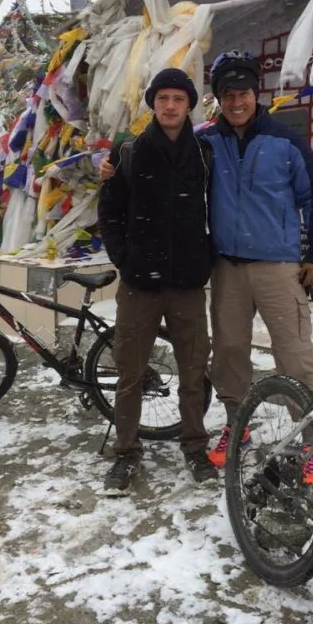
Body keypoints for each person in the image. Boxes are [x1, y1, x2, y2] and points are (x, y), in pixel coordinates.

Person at [198, 50, 313, 467]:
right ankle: (237, 427)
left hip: (278, 266)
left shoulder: (286, 141)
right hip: (227, 268)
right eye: (228, 95)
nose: (236, 102)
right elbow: (164, 159)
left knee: (294, 355)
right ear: (219, 99)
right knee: (228, 353)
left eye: (243, 93)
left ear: (257, 94)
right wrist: (115, 160)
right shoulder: (206, 142)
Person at [98, 68, 218, 496]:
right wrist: (125, 259)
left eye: (178, 99)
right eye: (163, 98)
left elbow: (217, 207)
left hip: (187, 282)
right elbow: (109, 212)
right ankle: (126, 452)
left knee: (193, 370)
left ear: (189, 106)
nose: (170, 106)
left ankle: (195, 446)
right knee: (130, 372)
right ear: (153, 103)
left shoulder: (204, 153)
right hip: (139, 284)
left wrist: (206, 258)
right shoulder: (128, 151)